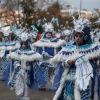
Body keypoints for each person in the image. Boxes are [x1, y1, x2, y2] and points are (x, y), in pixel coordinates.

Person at [51, 18, 100, 100]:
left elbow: (96, 63)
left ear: (85, 37)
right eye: (76, 36)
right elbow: (60, 63)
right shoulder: (68, 49)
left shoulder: (93, 49)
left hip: (84, 80)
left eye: (80, 36)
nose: (77, 38)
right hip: (69, 80)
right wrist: (68, 62)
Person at [7, 32, 43, 100]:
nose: (23, 45)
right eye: (22, 44)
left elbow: (36, 61)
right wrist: (19, 67)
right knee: (21, 83)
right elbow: (16, 61)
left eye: (25, 44)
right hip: (20, 71)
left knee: (26, 83)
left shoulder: (31, 52)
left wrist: (42, 64)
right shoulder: (18, 52)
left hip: (28, 71)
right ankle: (23, 95)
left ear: (27, 44)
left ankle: (25, 95)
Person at [32, 22, 65, 90]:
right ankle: (43, 85)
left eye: (50, 33)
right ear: (45, 33)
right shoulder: (41, 41)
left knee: (53, 73)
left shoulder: (55, 41)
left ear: (52, 33)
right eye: (47, 33)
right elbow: (39, 49)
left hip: (53, 60)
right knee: (44, 73)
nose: (48, 34)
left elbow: (60, 48)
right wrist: (44, 53)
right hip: (44, 60)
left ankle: (52, 85)